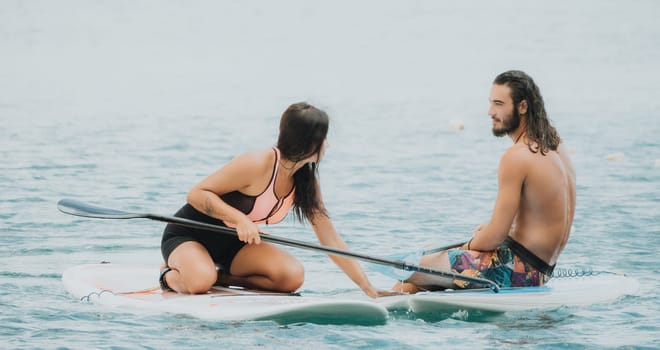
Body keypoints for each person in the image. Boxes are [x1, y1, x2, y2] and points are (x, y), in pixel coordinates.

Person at [160, 102, 386, 298]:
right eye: (324, 138)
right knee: (199, 282)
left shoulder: (306, 181)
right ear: (310, 142)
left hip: (235, 244)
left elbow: (331, 240)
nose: (328, 144)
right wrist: (239, 219)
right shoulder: (257, 163)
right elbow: (197, 194)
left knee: (291, 277)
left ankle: (220, 277)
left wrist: (368, 288)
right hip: (190, 233)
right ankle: (169, 275)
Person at [394, 70, 576, 292]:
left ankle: (381, 302)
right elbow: (541, 215)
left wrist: (470, 245)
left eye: (499, 104)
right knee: (426, 268)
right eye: (491, 103)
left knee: (413, 265)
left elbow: (495, 236)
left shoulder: (516, 156)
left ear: (523, 107)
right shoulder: (555, 145)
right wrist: (500, 232)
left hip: (515, 270)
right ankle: (393, 300)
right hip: (540, 269)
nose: (490, 112)